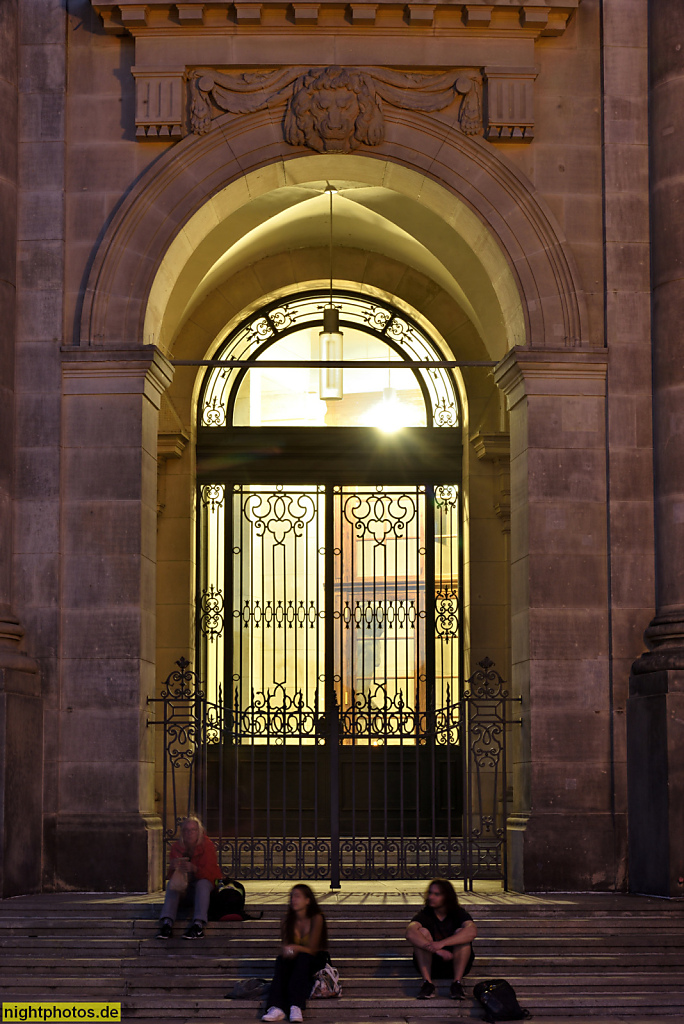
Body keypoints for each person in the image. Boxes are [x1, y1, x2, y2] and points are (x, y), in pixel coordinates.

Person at [262, 884, 329, 1023]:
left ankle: (296, 1006)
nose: (293, 899)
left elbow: (313, 949)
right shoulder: (287, 920)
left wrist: (295, 949)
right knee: (282, 960)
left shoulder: (317, 918)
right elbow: (287, 947)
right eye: (292, 896)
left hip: (315, 959)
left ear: (307, 900)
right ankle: (276, 1008)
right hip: (297, 959)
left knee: (303, 958)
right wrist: (290, 951)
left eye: (298, 896)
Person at [406, 877, 476, 1000]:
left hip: (455, 962)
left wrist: (442, 943)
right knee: (421, 932)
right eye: (430, 893)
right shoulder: (426, 914)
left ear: (447, 897)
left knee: (462, 933)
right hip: (432, 965)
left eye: (436, 894)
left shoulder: (458, 913)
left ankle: (457, 984)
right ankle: (427, 984)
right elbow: (410, 932)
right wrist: (437, 949)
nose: (431, 897)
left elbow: (472, 931)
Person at [156, 815, 220, 939]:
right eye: (186, 830)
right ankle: (167, 923)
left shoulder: (207, 846)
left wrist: (194, 869)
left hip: (204, 890)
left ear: (199, 832)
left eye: (193, 830)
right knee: (172, 885)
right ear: (182, 832)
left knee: (202, 884)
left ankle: (198, 925)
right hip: (185, 889)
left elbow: (213, 875)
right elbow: (171, 876)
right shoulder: (177, 847)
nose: (189, 833)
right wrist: (174, 867)